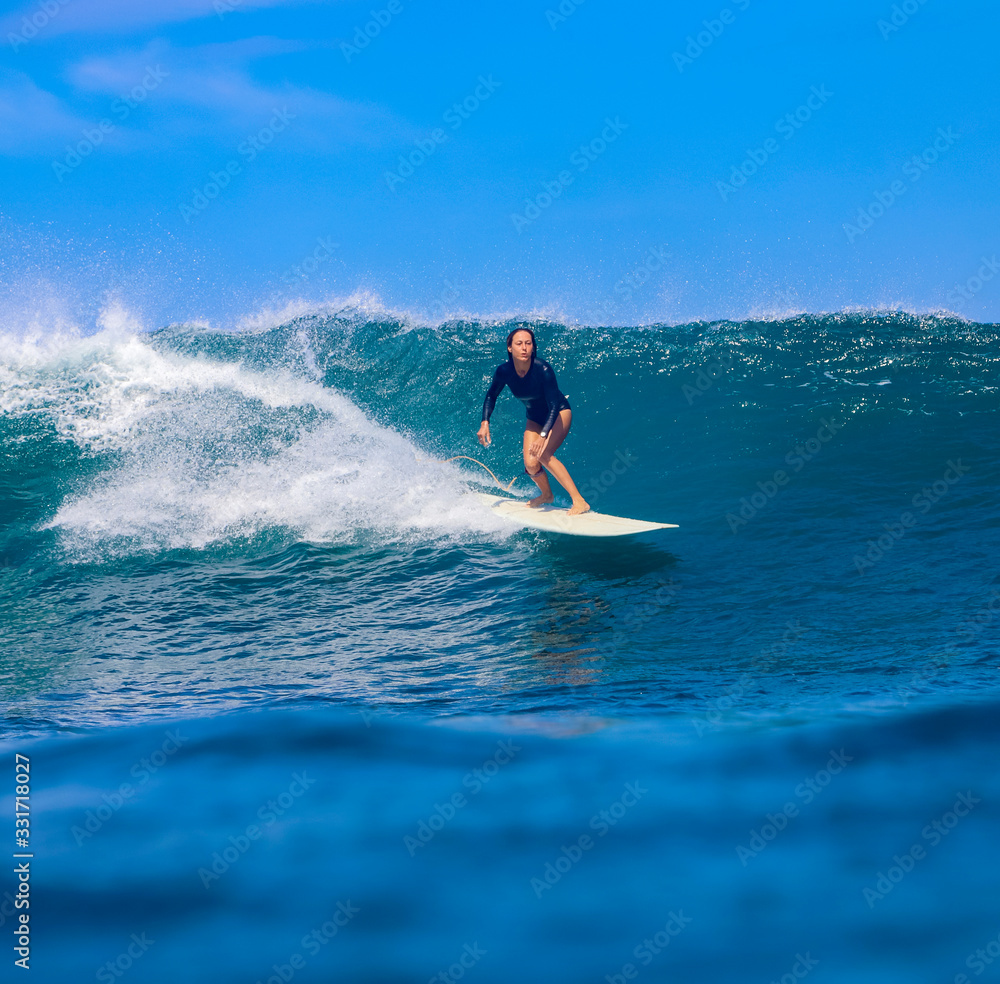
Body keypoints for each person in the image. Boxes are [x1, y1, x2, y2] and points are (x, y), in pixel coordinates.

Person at [477, 328, 590, 515]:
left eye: (528, 343)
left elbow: (554, 405)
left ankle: (579, 501)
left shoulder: (543, 369)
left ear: (533, 347)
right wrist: (485, 422)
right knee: (531, 464)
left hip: (559, 413)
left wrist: (544, 435)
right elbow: (491, 395)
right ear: (510, 348)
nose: (524, 348)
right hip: (534, 418)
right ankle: (547, 495)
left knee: (544, 454)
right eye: (519, 343)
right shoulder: (504, 371)